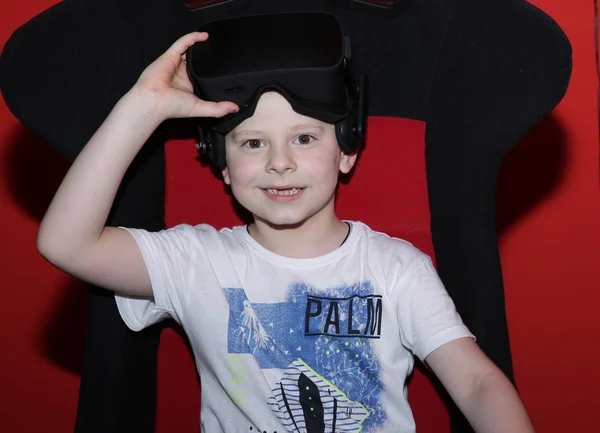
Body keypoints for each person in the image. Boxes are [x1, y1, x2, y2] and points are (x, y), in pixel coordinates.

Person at [37, 29, 535, 433]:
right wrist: (142, 107)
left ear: (346, 151)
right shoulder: (196, 262)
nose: (280, 162)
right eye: (252, 143)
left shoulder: (395, 267)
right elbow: (65, 243)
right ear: (222, 165)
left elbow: (474, 383)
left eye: (303, 137)